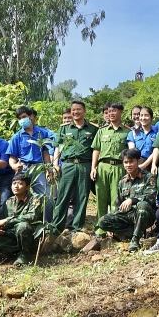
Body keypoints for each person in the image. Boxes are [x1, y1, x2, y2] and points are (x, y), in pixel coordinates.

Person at [97, 148, 158, 252]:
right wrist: (113, 223)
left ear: (138, 161)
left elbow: (150, 198)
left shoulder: (148, 177)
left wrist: (132, 200)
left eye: (131, 162)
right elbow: (118, 204)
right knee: (102, 221)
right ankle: (135, 232)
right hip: (128, 216)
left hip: (144, 214)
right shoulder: (122, 181)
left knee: (142, 205)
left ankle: (135, 241)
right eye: (126, 162)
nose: (128, 165)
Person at [52, 100, 97, 234]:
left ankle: (76, 227)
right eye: (73, 110)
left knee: (82, 196)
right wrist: (55, 164)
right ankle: (57, 226)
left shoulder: (93, 129)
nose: (75, 112)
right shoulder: (64, 128)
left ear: (84, 111)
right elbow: (58, 147)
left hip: (85, 165)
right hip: (67, 165)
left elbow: (96, 150)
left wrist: (94, 167)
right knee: (62, 195)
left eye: (78, 109)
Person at [91, 102, 130, 236]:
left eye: (114, 111)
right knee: (101, 198)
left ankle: (113, 228)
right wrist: (93, 167)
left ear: (121, 112)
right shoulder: (101, 131)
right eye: (109, 111)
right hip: (102, 167)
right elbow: (96, 150)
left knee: (116, 198)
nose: (111, 114)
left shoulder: (127, 132)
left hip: (119, 167)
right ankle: (100, 229)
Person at [0, 173, 43, 266]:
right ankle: (18, 253)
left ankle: (25, 255)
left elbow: (32, 217)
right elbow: (6, 221)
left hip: (30, 233)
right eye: (14, 183)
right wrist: (1, 228)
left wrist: (8, 220)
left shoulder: (35, 199)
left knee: (22, 226)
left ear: (27, 187)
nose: (16, 186)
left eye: (20, 183)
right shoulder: (9, 201)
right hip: (14, 233)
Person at [7, 105, 53, 203]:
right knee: (19, 195)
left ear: (31, 116)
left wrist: (49, 169)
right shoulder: (17, 137)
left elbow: (45, 153)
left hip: (39, 168)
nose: (22, 120)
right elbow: (12, 157)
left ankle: (46, 214)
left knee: (47, 196)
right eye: (19, 118)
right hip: (23, 168)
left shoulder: (42, 133)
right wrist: (14, 166)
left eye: (24, 117)